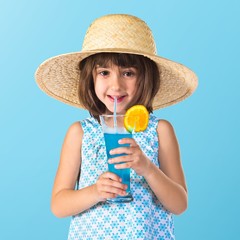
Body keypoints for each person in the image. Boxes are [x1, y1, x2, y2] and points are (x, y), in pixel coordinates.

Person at [35, 14, 198, 240]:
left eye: (128, 73)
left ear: (146, 78)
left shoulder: (159, 130)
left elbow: (179, 204)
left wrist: (148, 169)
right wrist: (95, 191)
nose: (116, 85)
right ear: (90, 79)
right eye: (104, 73)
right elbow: (59, 204)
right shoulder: (80, 133)